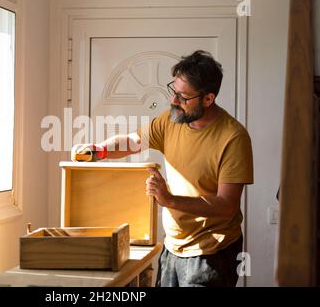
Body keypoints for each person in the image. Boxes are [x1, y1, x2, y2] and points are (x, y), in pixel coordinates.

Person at [71, 50, 253, 287]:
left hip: (212, 253)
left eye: (183, 97)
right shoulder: (171, 120)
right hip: (173, 247)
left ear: (208, 99)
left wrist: (170, 200)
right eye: (173, 91)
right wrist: (97, 151)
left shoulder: (233, 138)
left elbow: (227, 205)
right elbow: (134, 141)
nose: (173, 101)